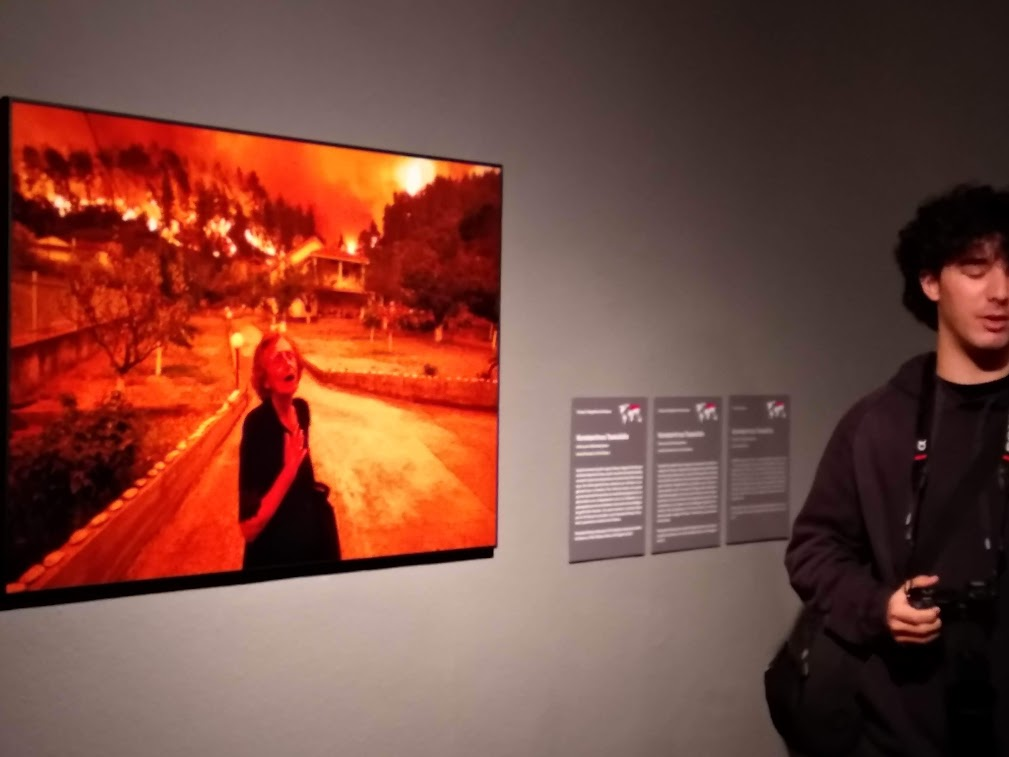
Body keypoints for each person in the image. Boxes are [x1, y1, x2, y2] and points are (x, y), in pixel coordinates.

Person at [784, 183, 1009, 756]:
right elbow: (814, 548)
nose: (1001, 291)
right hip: (904, 723)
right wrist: (878, 607)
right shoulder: (878, 421)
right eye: (975, 269)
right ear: (931, 282)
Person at [238, 331, 340, 570]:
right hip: (277, 552)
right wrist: (288, 471)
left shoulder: (301, 410)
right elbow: (249, 528)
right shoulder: (257, 426)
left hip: (311, 542)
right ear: (265, 380)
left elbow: (304, 484)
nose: (288, 363)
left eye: (290, 356)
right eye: (277, 358)